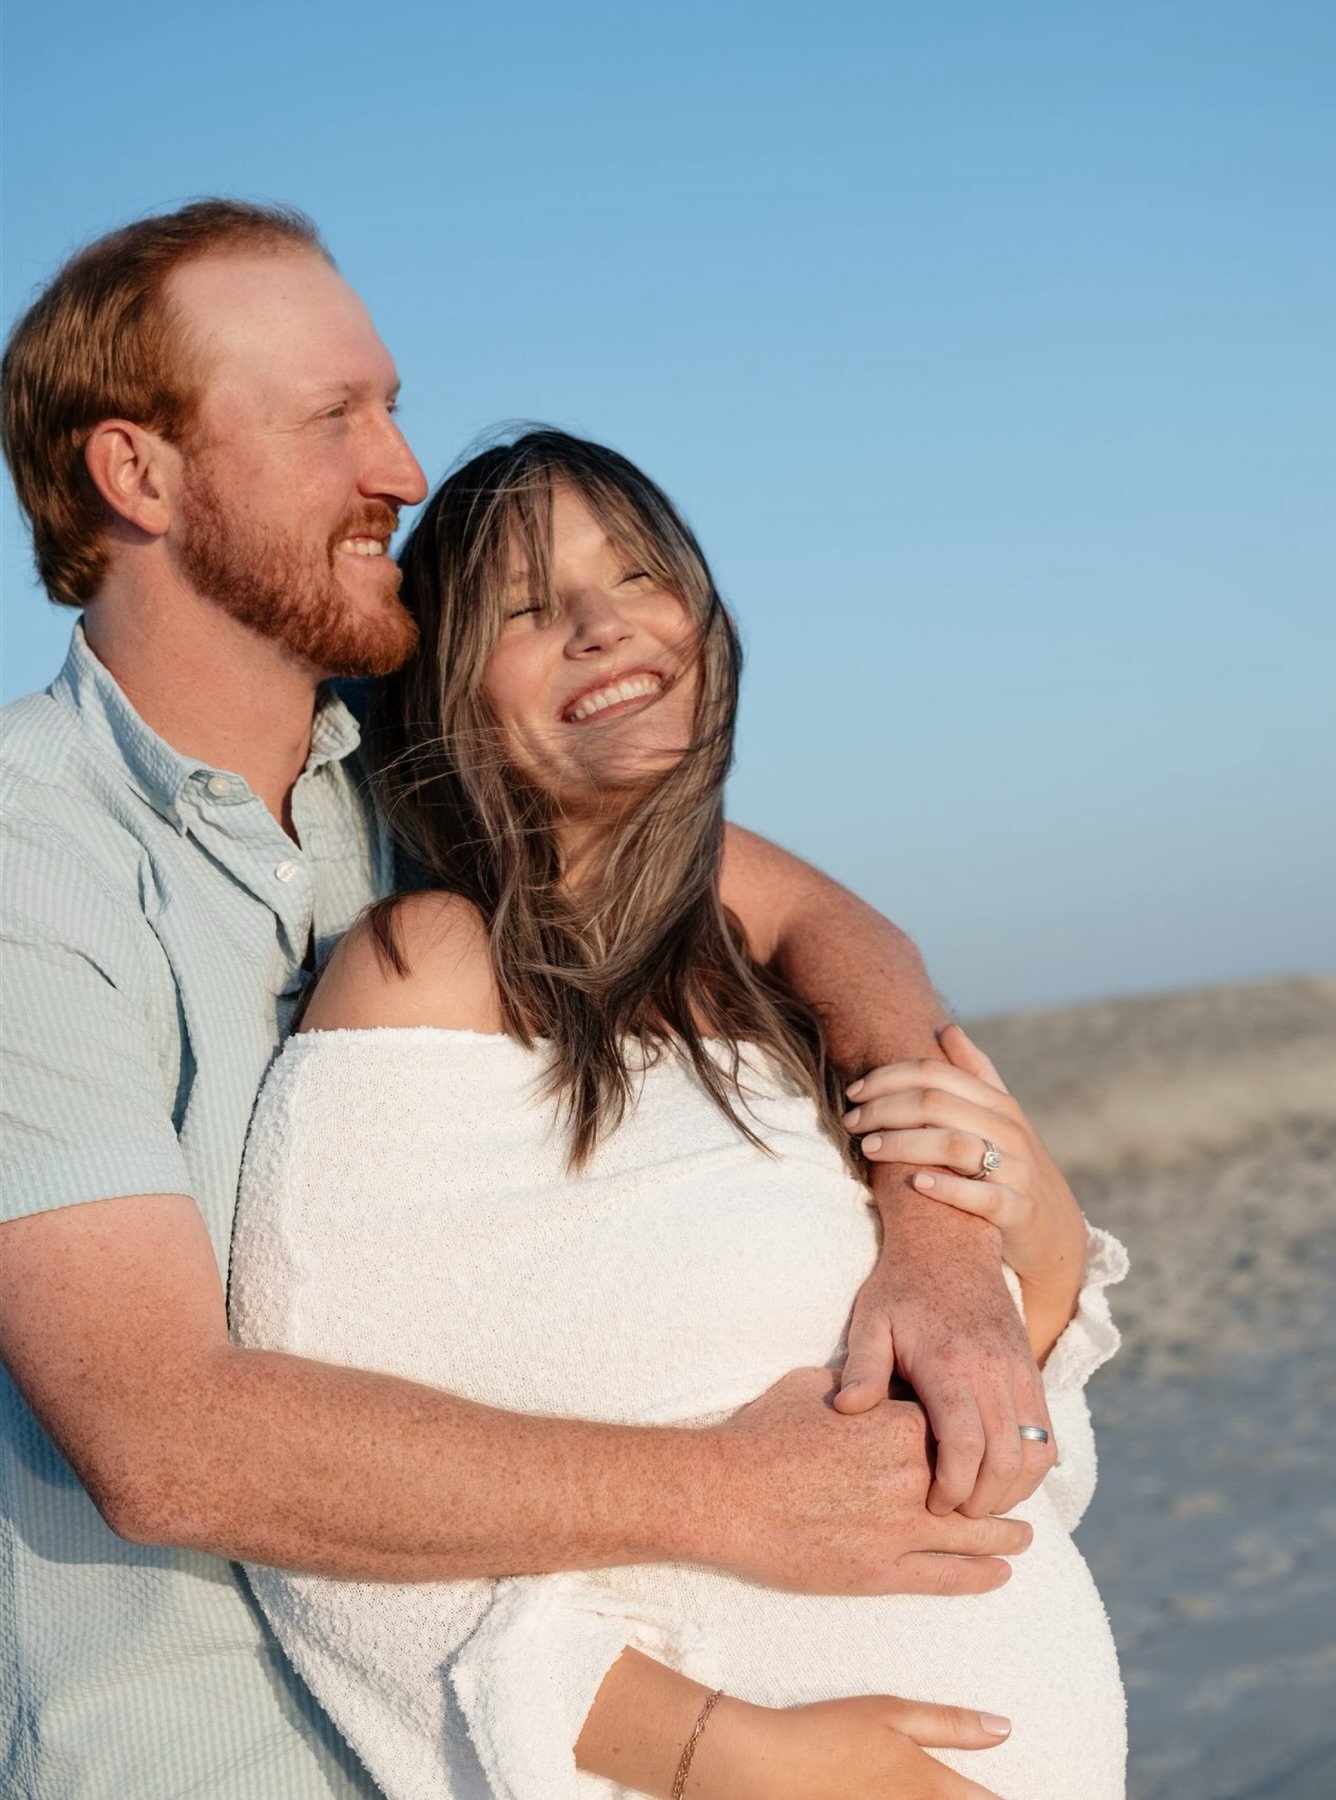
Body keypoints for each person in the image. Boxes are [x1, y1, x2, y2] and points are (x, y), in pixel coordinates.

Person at [0, 201, 1060, 1799]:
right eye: (334, 419)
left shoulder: (417, 759)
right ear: (137, 474)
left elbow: (815, 913)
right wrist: (726, 1498)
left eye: (394, 402)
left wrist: (935, 1233)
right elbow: (163, 1438)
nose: (405, 471)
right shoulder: (32, 862)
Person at [228, 429, 1129, 1800]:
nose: (601, 626)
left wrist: (1029, 1251)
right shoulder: (431, 972)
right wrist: (746, 1759)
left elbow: (1006, 1461)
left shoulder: (764, 993)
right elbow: (322, 1528)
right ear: (447, 697)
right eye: (527, 610)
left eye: (639, 575)